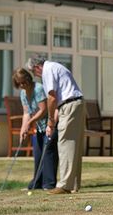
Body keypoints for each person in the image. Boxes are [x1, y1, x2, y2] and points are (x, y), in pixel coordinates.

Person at [26, 55, 85, 195]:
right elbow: (57, 101)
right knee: (74, 145)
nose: (35, 76)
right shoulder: (54, 67)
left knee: (65, 144)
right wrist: (51, 125)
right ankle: (74, 185)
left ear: (37, 67)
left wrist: (50, 121)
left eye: (33, 72)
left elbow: (51, 98)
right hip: (74, 104)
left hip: (70, 106)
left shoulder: (47, 70)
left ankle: (64, 185)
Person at [12, 68, 58, 190]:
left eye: (24, 82)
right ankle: (37, 183)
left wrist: (29, 123)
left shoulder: (38, 88)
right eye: (19, 83)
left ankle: (49, 184)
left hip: (50, 125)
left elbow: (43, 110)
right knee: (38, 155)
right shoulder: (23, 93)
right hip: (38, 127)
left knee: (48, 154)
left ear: (28, 78)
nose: (22, 85)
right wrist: (23, 128)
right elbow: (26, 112)